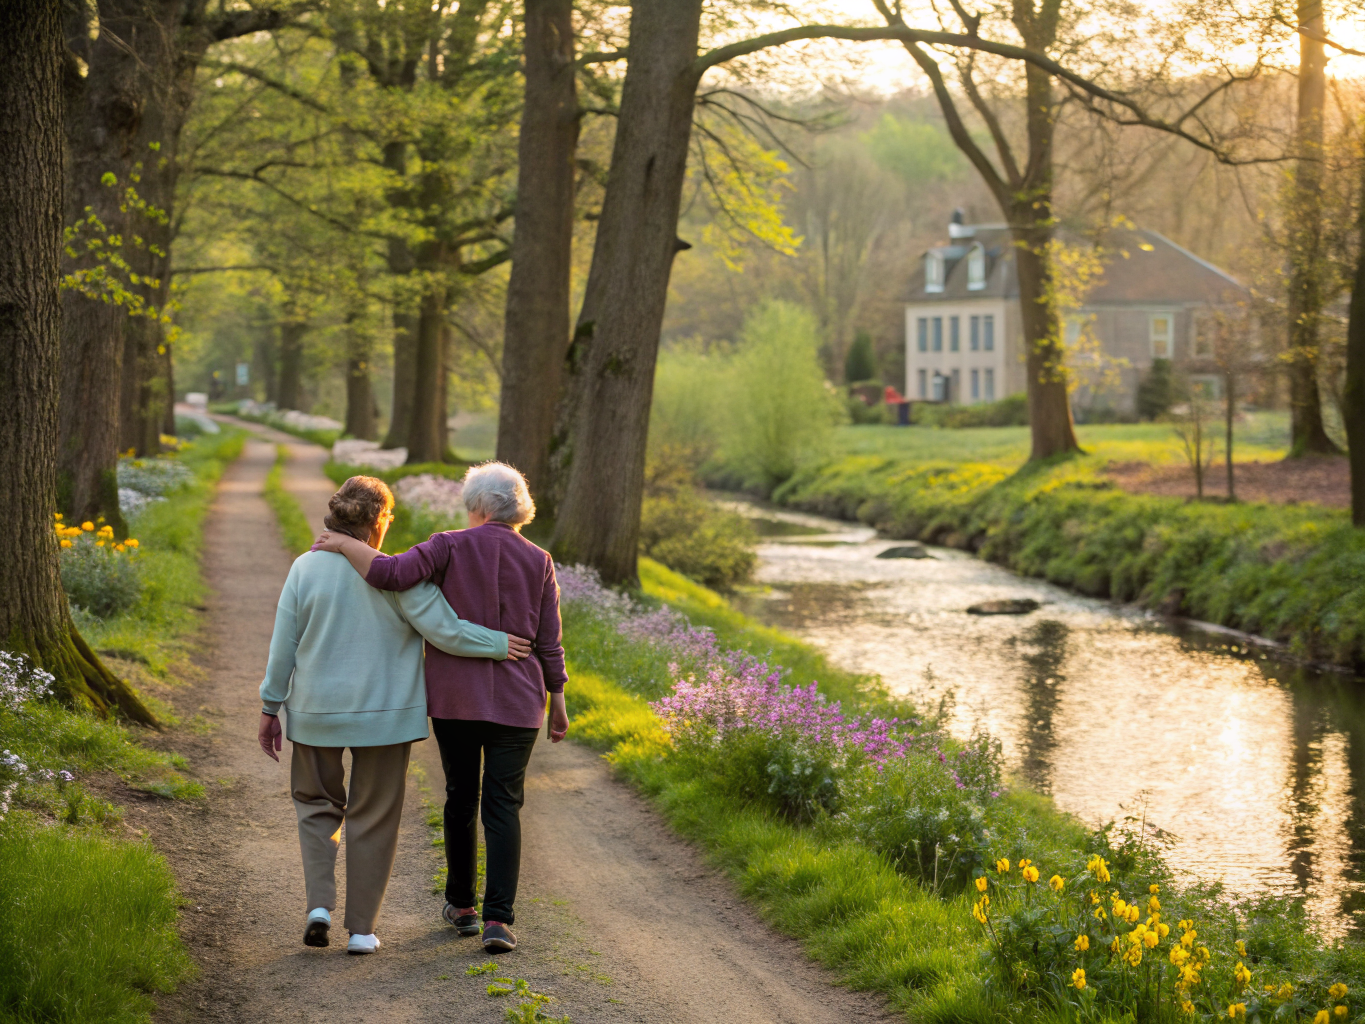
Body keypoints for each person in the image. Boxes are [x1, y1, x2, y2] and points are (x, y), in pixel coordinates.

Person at [259, 475, 532, 955]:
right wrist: (498, 643)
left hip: (316, 713)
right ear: (379, 522)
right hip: (385, 721)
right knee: (374, 817)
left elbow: (284, 646)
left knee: (316, 807)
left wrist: (269, 706)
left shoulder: (304, 569)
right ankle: (361, 931)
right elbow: (446, 631)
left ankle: (318, 906)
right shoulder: (398, 575)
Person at [313, 461, 568, 953]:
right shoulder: (539, 559)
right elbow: (549, 641)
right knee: (503, 806)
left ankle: (462, 907)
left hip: (456, 699)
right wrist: (557, 698)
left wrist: (345, 542)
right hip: (520, 702)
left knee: (460, 797)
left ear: (476, 505)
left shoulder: (448, 544)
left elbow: (389, 573)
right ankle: (499, 920)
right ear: (519, 508)